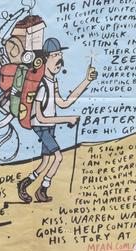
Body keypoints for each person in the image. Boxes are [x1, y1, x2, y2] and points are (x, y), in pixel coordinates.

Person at [16, 37, 97, 203]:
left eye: (60, 54)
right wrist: (67, 119)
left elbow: (64, 103)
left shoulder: (53, 82)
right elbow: (39, 117)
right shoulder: (41, 85)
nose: (59, 59)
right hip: (42, 127)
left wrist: (86, 80)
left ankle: (25, 184)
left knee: (46, 160)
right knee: (58, 157)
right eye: (55, 55)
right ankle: (42, 189)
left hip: (49, 126)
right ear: (45, 58)